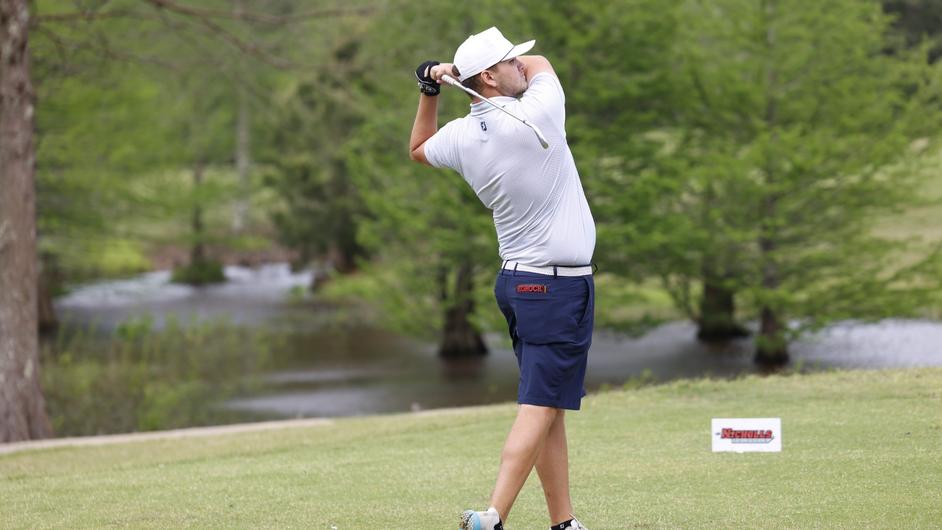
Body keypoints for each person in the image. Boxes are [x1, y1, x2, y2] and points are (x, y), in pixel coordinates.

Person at [409, 27, 595, 530]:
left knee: (549, 402)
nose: (522, 65)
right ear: (490, 77)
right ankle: (493, 516)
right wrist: (459, 74)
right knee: (539, 404)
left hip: (519, 284)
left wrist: (431, 86)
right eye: (511, 61)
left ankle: (563, 521)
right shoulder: (538, 113)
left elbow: (419, 146)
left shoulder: (463, 136)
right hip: (555, 287)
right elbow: (545, 64)